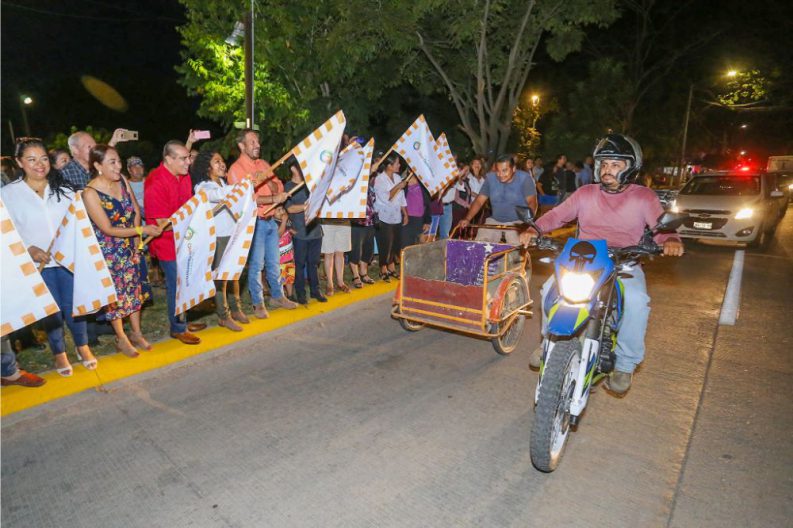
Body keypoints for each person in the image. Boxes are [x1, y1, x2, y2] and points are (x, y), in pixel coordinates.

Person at [524, 134, 684, 394]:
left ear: (630, 167)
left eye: (616, 165)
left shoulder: (644, 197)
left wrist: (671, 240)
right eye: (605, 164)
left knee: (637, 302)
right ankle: (548, 343)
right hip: (584, 260)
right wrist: (534, 230)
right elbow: (556, 215)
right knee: (549, 291)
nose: (608, 170)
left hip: (625, 262)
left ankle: (625, 364)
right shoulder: (586, 193)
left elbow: (660, 226)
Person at [2, 138, 96, 376]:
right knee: (51, 310)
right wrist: (29, 249)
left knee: (75, 306)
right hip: (35, 264)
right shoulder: (8, 195)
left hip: (67, 259)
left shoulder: (64, 190)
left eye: (43, 158)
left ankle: (83, 347)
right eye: (31, 160)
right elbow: (6, 231)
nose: (39, 165)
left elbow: (78, 223)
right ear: (19, 162)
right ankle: (59, 353)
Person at [83, 145, 161, 355]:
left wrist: (136, 237)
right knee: (116, 296)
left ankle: (136, 332)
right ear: (98, 166)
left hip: (131, 244)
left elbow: (135, 209)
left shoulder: (123, 181)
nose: (118, 167)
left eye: (118, 161)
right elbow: (106, 228)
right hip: (109, 250)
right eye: (112, 162)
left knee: (135, 289)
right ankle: (121, 337)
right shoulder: (90, 193)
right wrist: (140, 229)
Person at [192, 150, 267, 331]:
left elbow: (234, 198)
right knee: (220, 279)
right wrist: (244, 185)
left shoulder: (223, 183)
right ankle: (223, 315)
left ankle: (236, 309)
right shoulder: (203, 187)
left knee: (234, 273)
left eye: (222, 160)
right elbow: (219, 194)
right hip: (217, 238)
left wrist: (246, 189)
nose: (222, 164)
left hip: (232, 234)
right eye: (217, 161)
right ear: (207, 166)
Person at [227, 128, 296, 318]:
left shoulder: (264, 164)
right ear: (241, 146)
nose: (257, 145)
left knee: (274, 262)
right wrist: (273, 195)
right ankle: (257, 303)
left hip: (270, 220)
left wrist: (271, 185)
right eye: (252, 142)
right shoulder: (236, 170)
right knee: (256, 265)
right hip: (253, 222)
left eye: (257, 142)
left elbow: (278, 186)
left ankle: (277, 296)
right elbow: (246, 198)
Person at [145, 140, 206, 345]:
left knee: (186, 281)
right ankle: (178, 327)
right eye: (183, 158)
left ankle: (185, 322)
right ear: (168, 160)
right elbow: (163, 224)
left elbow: (189, 206)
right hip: (166, 244)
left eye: (188, 157)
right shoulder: (155, 181)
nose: (188, 162)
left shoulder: (185, 176)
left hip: (185, 240)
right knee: (177, 286)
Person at [457, 154, 537, 245]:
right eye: (498, 171)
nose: (500, 175)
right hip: (495, 219)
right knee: (479, 244)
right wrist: (467, 218)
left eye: (504, 170)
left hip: (517, 221)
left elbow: (532, 202)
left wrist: (527, 224)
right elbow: (479, 201)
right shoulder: (490, 178)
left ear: (514, 168)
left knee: (515, 248)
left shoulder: (525, 178)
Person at [284, 159, 326, 305]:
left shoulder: (310, 184)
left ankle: (315, 291)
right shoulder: (288, 187)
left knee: (313, 263)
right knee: (300, 264)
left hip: (315, 231)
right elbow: (290, 209)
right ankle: (301, 293)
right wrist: (307, 205)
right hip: (300, 233)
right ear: (292, 169)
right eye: (299, 166)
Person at [373, 153, 408, 281]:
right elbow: (386, 197)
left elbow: (401, 198)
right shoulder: (379, 179)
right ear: (389, 166)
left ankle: (392, 267)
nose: (399, 165)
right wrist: (398, 187)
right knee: (385, 243)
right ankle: (383, 269)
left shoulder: (398, 177)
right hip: (384, 216)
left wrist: (405, 213)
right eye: (397, 163)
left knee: (395, 243)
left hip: (396, 215)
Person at [60, 129, 125, 190]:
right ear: (75, 150)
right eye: (89, 147)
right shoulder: (65, 174)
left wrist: (113, 142)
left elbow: (105, 157)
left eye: (95, 146)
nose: (94, 150)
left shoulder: (97, 168)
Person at [321, 215, 352, 295]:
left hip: (344, 222)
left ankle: (340, 282)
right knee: (328, 253)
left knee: (340, 253)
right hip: (327, 222)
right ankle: (330, 284)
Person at [401, 173, 431, 247]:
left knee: (419, 247)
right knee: (406, 246)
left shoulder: (424, 186)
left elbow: (427, 205)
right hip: (406, 219)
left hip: (419, 220)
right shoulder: (403, 184)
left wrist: (427, 221)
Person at [274, 206, 296, 300]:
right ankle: (281, 297)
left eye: (283, 209)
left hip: (289, 255)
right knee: (280, 278)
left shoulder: (288, 221)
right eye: (278, 210)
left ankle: (290, 295)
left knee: (289, 277)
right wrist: (284, 221)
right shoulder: (273, 223)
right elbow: (278, 235)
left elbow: (293, 232)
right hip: (278, 257)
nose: (282, 212)